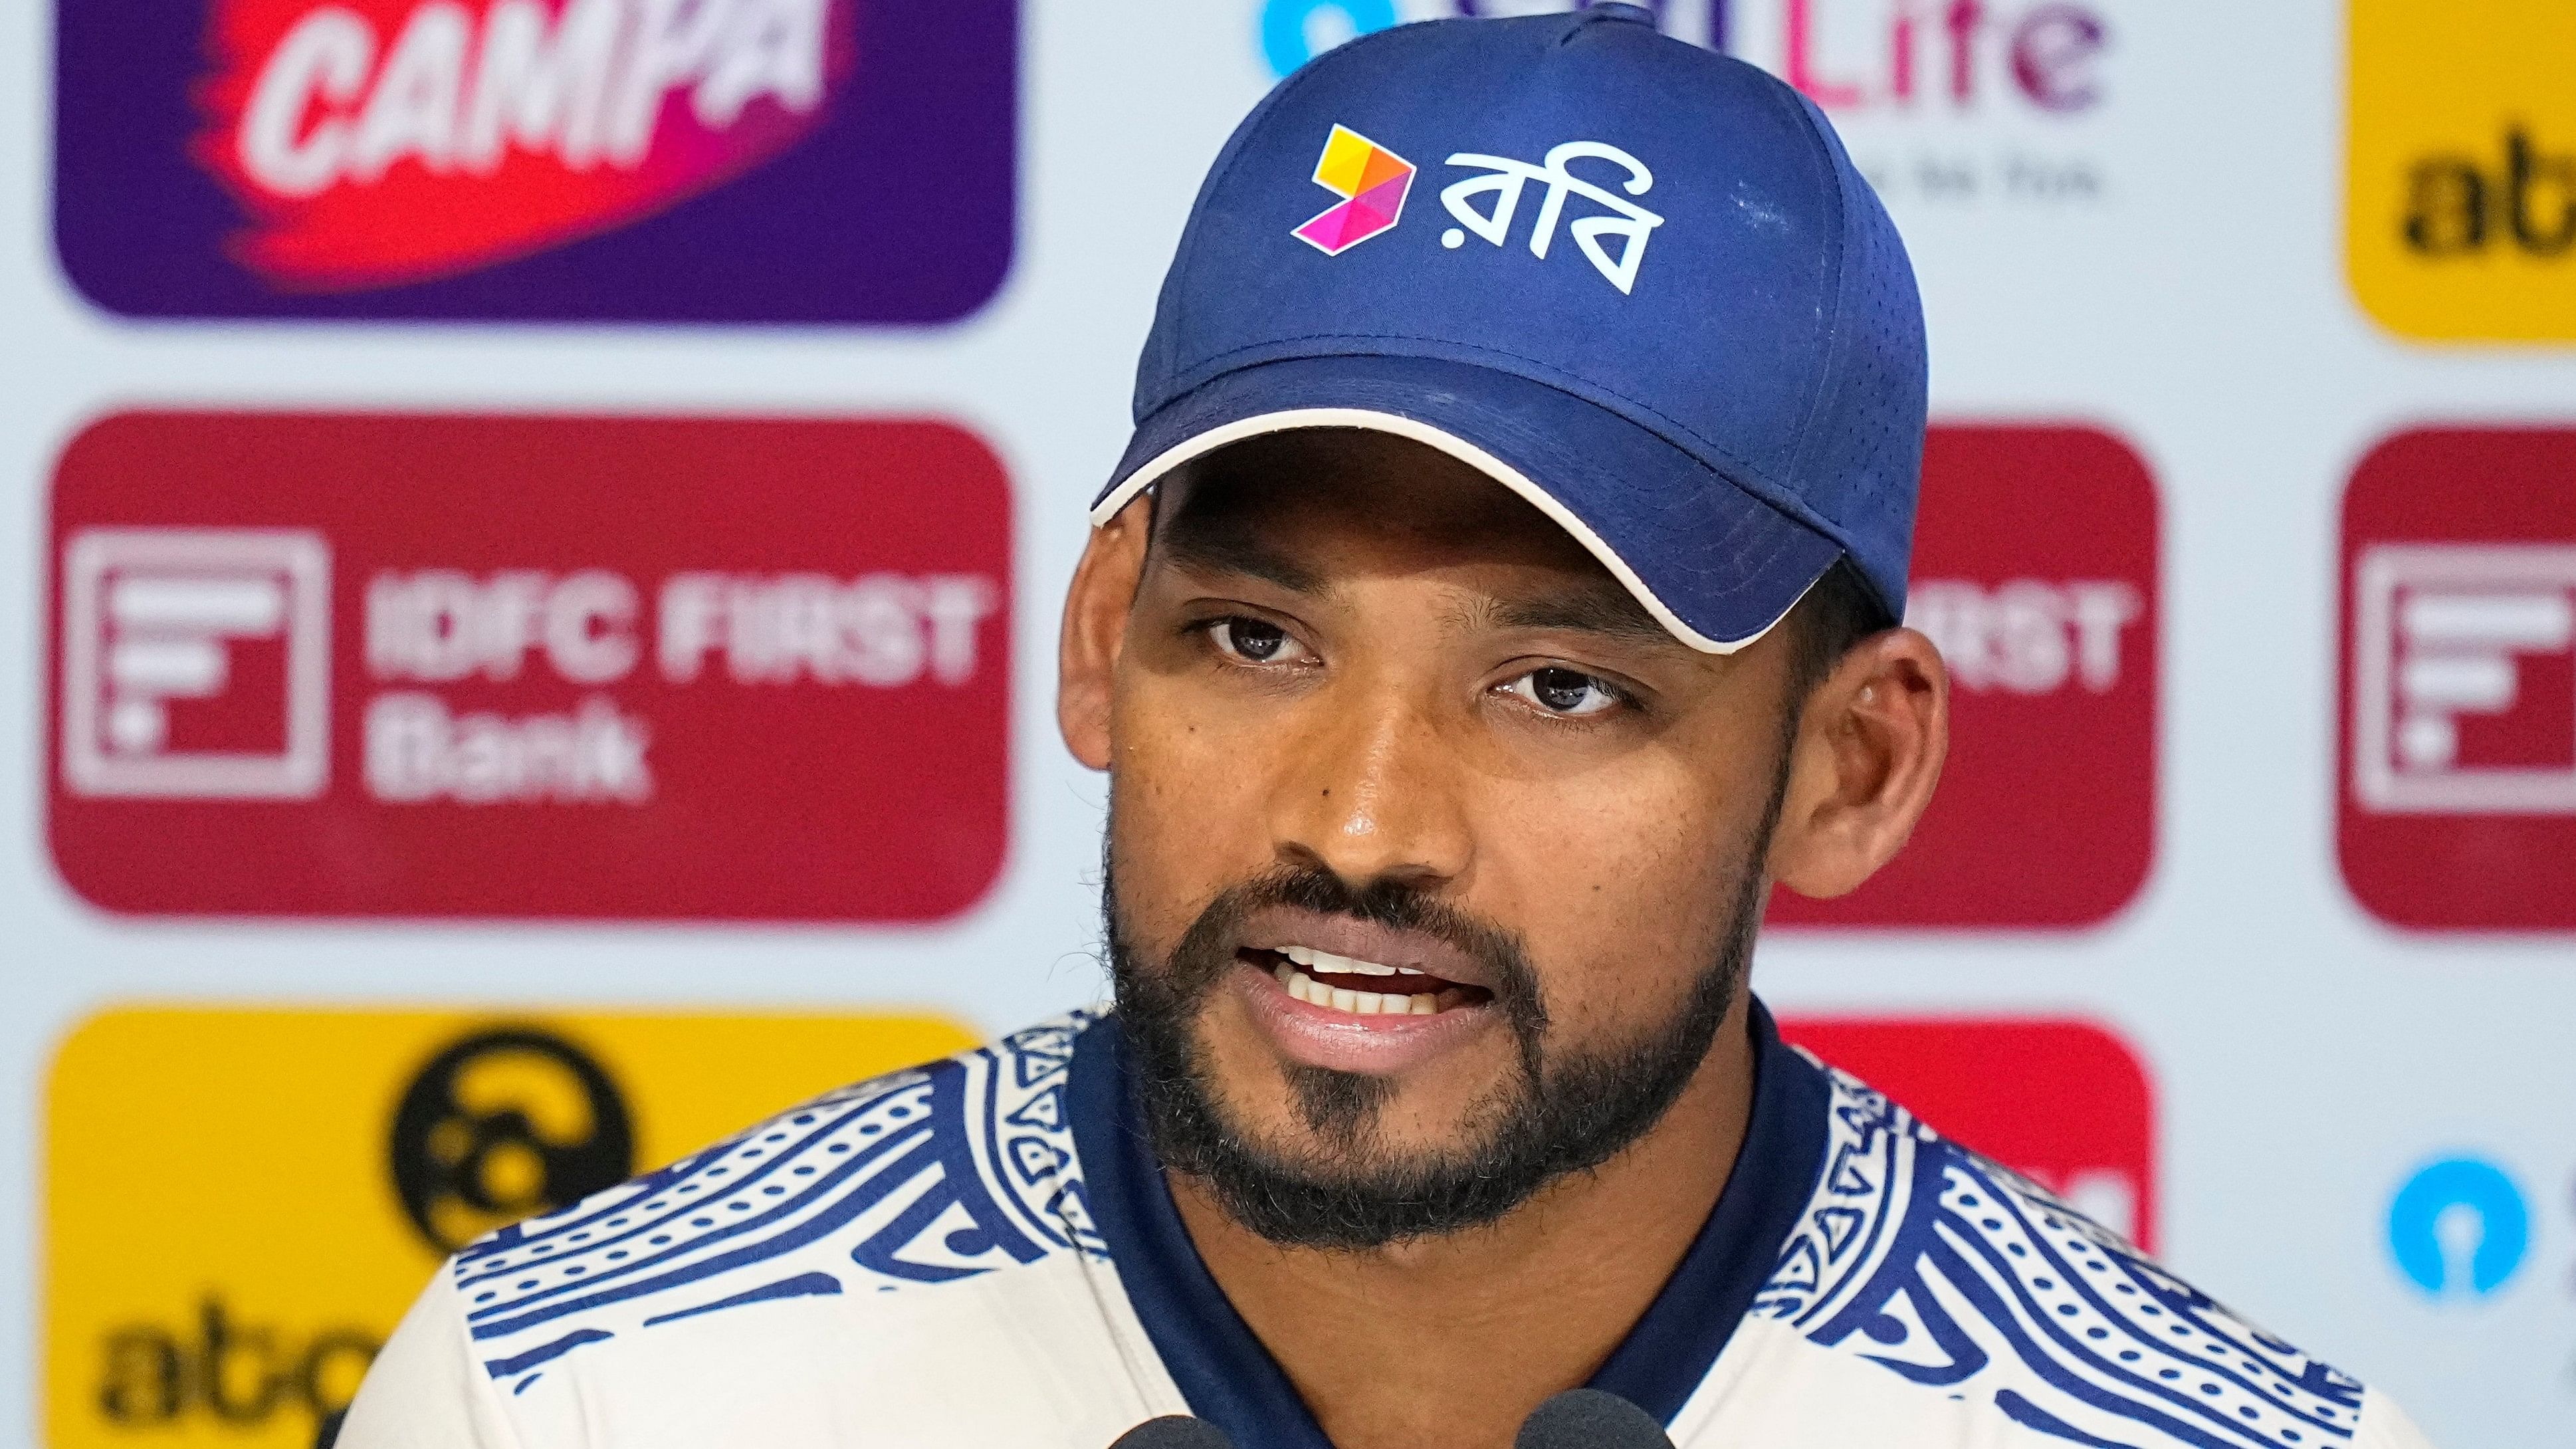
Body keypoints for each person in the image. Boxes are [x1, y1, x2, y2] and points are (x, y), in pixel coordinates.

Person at [340, 9, 2435, 1448]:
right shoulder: (594, 1394)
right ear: (1098, 638)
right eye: (1254, 637)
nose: (1358, 820)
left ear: (1850, 765)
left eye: (1560, 686)